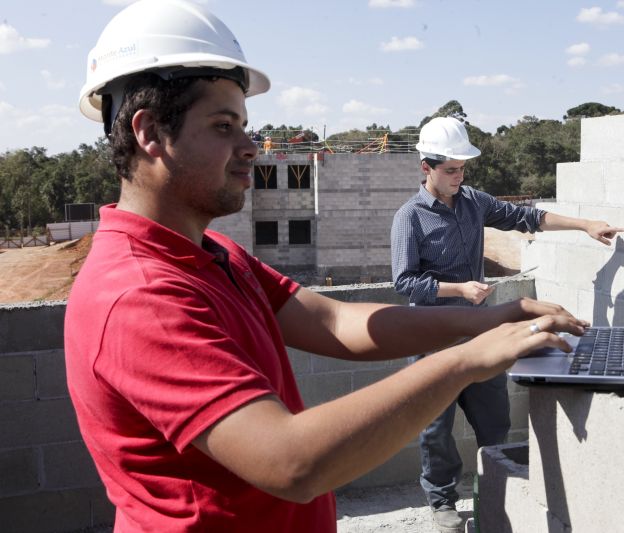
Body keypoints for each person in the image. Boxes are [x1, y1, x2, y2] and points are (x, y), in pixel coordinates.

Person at [64, 1, 590, 532]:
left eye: (245, 125)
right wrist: (466, 361)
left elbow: (338, 324)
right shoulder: (140, 293)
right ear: (150, 132)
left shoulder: (213, 257)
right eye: (224, 126)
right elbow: (292, 463)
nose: (250, 147)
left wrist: (500, 316)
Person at [391, 116, 624, 532]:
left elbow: (526, 218)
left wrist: (585, 224)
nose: (458, 177)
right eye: (450, 170)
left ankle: (494, 490)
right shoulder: (409, 217)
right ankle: (443, 503)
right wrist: (459, 290)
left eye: (462, 168)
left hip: (482, 335)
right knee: (436, 431)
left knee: (494, 422)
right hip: (434, 339)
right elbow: (405, 281)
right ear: (425, 168)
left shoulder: (473, 202)